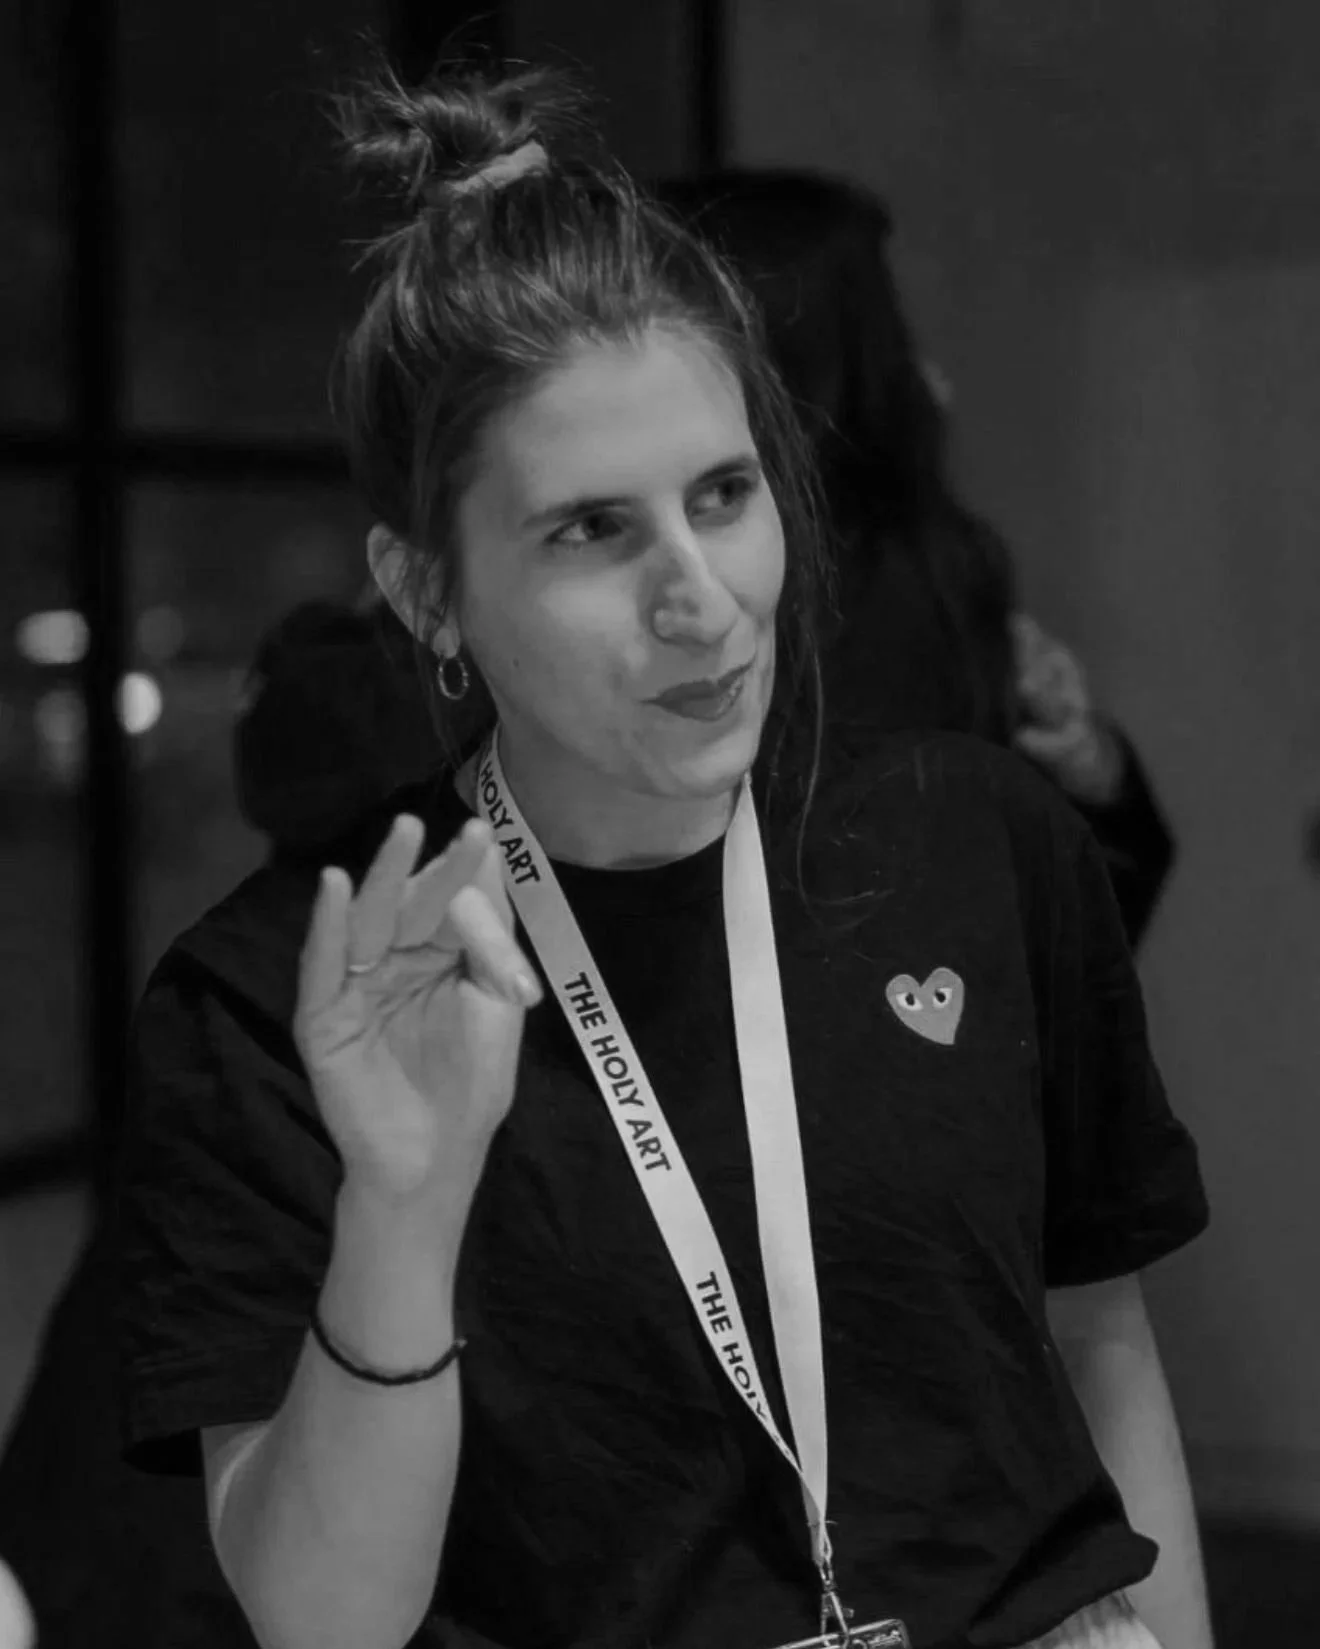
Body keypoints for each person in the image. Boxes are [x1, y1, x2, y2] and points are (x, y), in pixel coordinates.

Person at [112, 52, 1214, 1649]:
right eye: (591, 530)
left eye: (723, 494)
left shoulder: (976, 840)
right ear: (425, 589)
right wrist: (403, 1209)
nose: (697, 592)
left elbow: (1102, 1339)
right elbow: (322, 1621)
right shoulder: (290, 995)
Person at [655, 169, 1177, 951]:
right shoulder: (909, 564)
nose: (933, 377)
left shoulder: (887, 583)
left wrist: (1083, 765)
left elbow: (1029, 926)